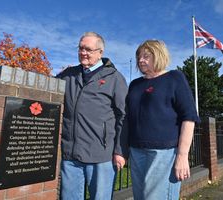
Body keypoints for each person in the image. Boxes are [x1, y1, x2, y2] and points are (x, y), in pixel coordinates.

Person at [56, 32, 128, 200]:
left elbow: (123, 116)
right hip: (70, 156)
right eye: (80, 48)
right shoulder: (68, 75)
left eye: (88, 49)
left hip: (101, 157)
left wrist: (120, 151)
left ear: (100, 52)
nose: (83, 52)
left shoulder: (114, 78)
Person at [126, 40, 200, 200]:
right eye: (139, 56)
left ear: (158, 55)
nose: (140, 60)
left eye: (146, 56)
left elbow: (189, 118)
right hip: (136, 150)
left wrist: (182, 156)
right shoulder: (134, 84)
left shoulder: (174, 78)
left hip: (164, 153)